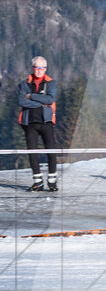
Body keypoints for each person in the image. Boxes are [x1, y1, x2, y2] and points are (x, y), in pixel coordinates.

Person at [18, 56, 59, 191]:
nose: (39, 70)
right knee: (32, 152)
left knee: (51, 151)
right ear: (32, 68)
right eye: (37, 67)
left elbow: (50, 99)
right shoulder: (24, 84)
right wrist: (41, 103)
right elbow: (21, 101)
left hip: (46, 122)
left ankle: (52, 182)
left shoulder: (51, 83)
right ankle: (38, 182)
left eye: (42, 68)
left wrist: (32, 96)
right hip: (29, 122)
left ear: (45, 69)